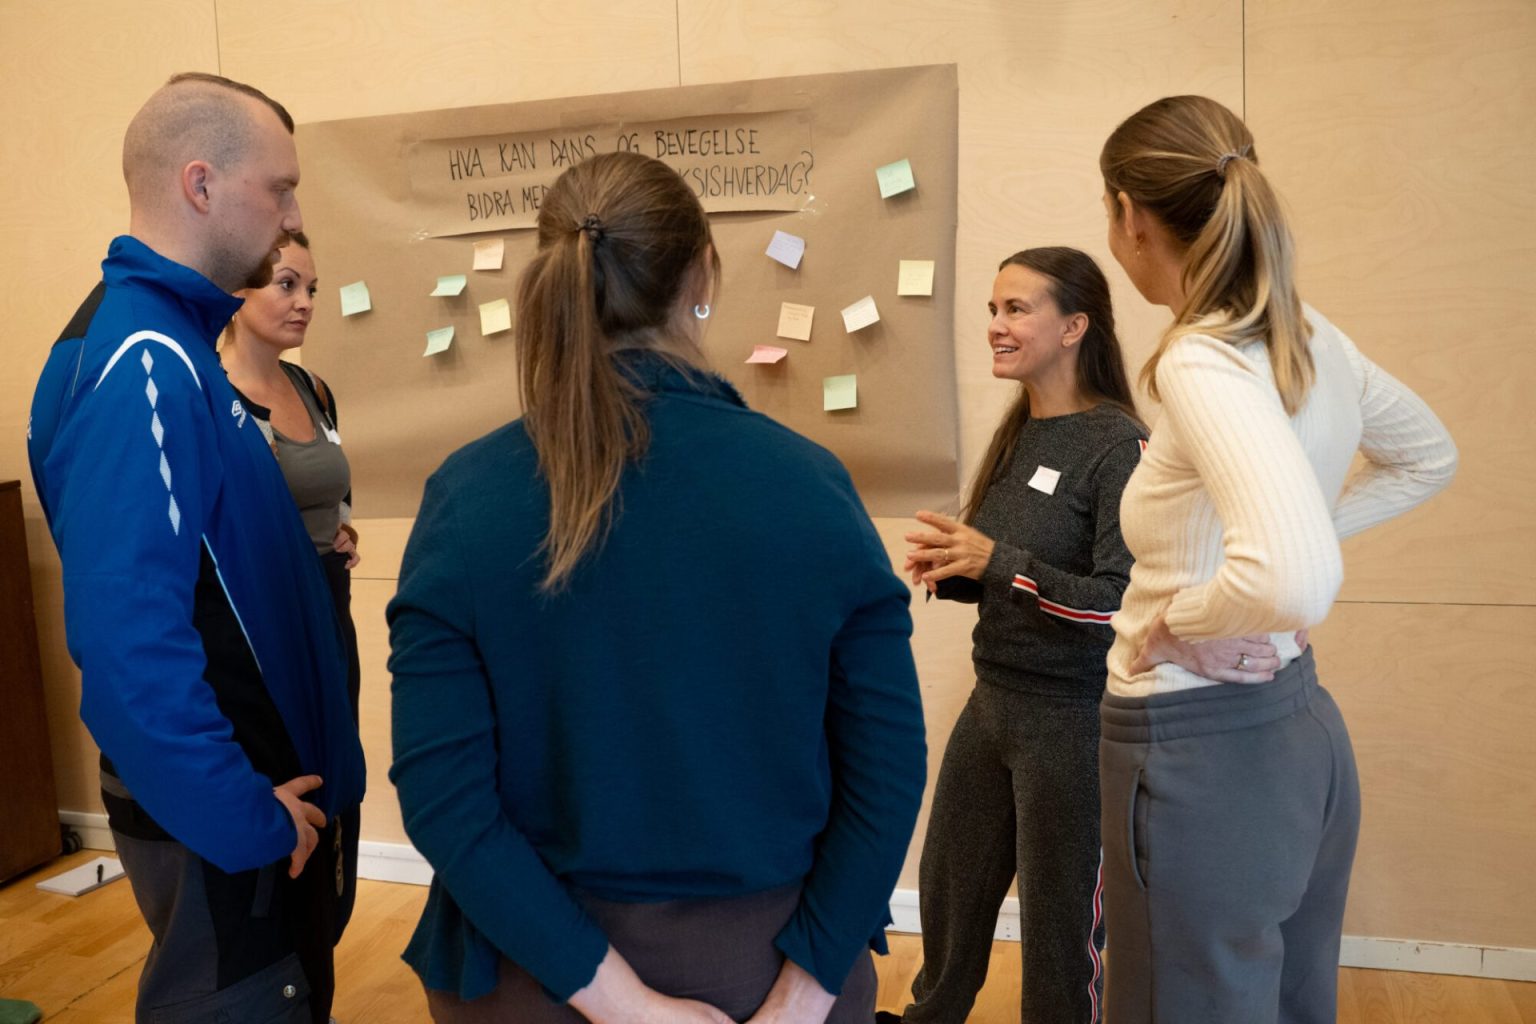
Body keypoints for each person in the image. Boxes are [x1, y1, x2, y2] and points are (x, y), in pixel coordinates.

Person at [387, 150, 927, 1024]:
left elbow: (445, 801)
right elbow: (889, 771)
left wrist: (623, 1004)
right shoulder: (811, 486)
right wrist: (810, 987)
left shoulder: (466, 498)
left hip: (533, 972)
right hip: (766, 962)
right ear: (701, 275)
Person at [1095, 95, 1458, 1023]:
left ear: (1132, 217)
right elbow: (1427, 457)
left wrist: (1192, 619)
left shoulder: (1203, 358)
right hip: (1298, 733)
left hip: (1197, 752)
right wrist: (1275, 564)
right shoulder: (1308, 333)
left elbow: (1290, 575)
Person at [27, 73, 365, 1024]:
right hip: (236, 817)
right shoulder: (144, 360)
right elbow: (130, 647)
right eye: (281, 187)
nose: (293, 212)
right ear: (201, 184)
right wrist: (244, 817)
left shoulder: (178, 345)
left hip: (270, 804)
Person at [894, 248, 1216, 1024]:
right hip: (995, 699)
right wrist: (961, 568)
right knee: (949, 885)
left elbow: (1119, 603)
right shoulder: (1020, 432)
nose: (996, 327)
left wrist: (998, 561)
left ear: (1074, 326)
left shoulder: (1119, 446)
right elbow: (1021, 575)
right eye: (994, 310)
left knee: (1060, 919)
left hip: (1074, 719)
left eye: (1016, 310)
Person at [222, 230, 363, 949]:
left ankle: (324, 949)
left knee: (340, 785)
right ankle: (285, 963)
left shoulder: (313, 388)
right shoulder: (213, 399)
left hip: (331, 616)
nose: (305, 302)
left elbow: (328, 491)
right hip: (270, 632)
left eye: (311, 287)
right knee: (291, 782)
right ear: (236, 290)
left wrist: (342, 529)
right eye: (285, 284)